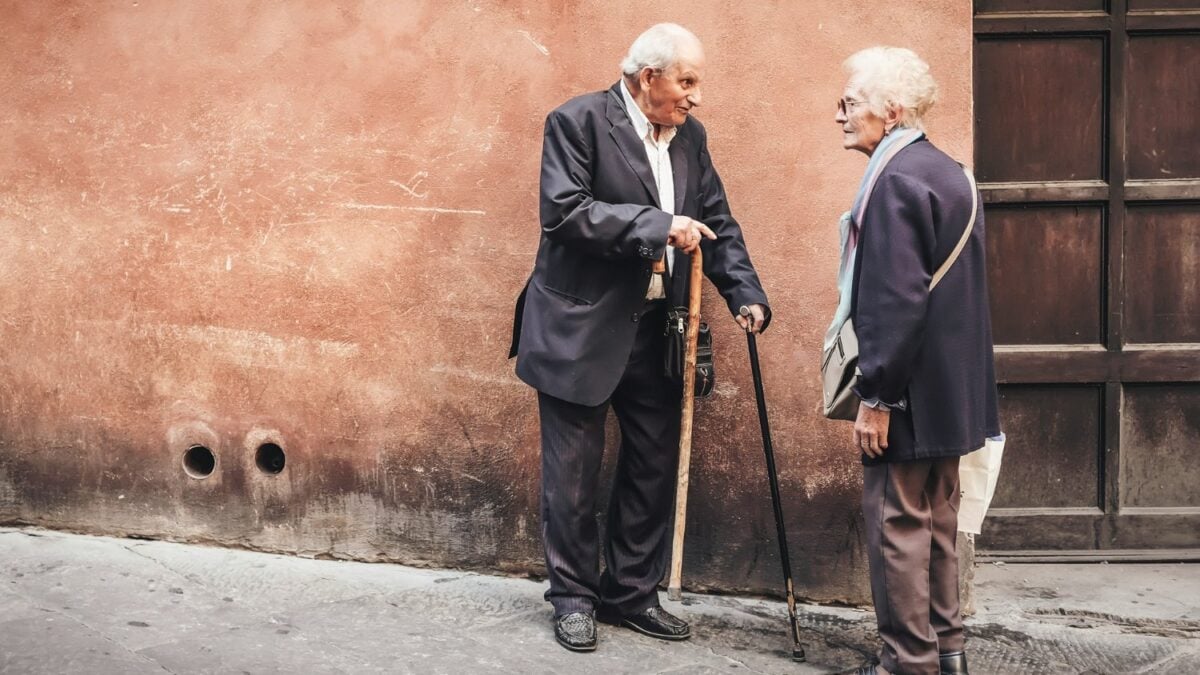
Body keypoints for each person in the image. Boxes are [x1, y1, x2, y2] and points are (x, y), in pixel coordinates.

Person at [509, 23, 771, 653]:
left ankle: (630, 592)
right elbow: (566, 212)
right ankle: (573, 597)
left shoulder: (692, 138)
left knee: (652, 467)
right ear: (647, 76)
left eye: (696, 83)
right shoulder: (577, 122)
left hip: (658, 330)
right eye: (686, 81)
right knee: (571, 477)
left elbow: (716, 221)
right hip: (579, 328)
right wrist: (658, 225)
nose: (695, 96)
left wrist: (746, 293)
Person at [828, 47, 1000, 675]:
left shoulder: (895, 179)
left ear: (891, 110)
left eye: (851, 103)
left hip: (908, 393)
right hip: (950, 390)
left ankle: (908, 661)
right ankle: (948, 651)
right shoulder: (948, 169)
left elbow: (895, 302)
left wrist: (877, 399)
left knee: (898, 525)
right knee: (941, 524)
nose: (840, 114)